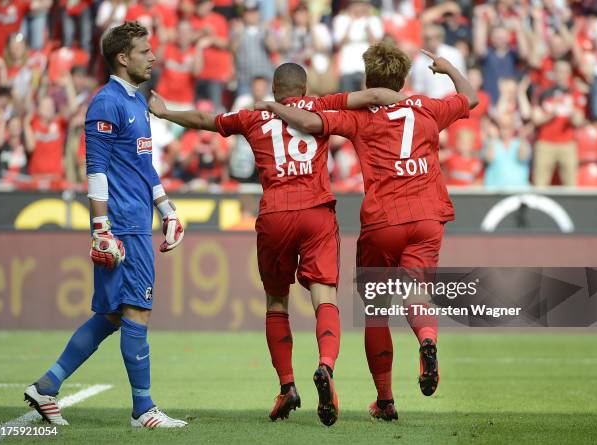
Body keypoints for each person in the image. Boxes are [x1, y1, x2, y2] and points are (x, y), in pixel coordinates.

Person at [149, 61, 405, 426]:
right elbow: (374, 95)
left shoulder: (253, 117)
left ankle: (287, 385)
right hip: (316, 212)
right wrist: (411, 101)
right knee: (324, 296)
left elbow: (206, 121)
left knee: (276, 300)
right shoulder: (321, 107)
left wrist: (164, 112)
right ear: (304, 90)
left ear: (274, 91)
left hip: (274, 216)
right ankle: (325, 366)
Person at [255, 42, 478, 421]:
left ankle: (386, 401)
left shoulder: (358, 118)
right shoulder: (427, 108)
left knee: (376, 311)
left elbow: (309, 123)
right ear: (402, 79)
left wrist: (274, 107)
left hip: (382, 222)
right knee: (415, 292)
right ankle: (427, 340)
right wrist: (448, 67)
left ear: (368, 79)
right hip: (428, 217)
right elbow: (469, 98)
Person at [23, 22, 187, 429]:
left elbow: (142, 164)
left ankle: (46, 386)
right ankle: (143, 409)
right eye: (144, 51)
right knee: (137, 311)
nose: (153, 57)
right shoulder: (106, 103)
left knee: (113, 314)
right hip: (123, 225)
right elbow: (94, 168)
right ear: (122, 57)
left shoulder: (136, 102)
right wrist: (101, 227)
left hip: (137, 218)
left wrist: (167, 209)